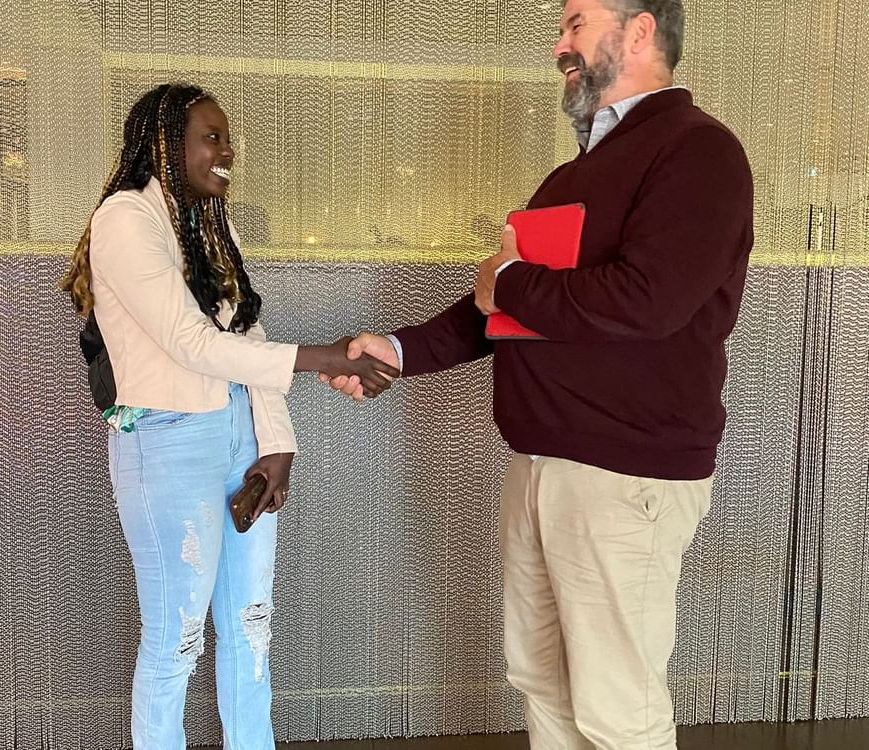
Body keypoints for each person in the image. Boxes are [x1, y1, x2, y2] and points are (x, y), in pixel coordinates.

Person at [326, 1, 753, 748]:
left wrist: (511, 283)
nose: (560, 45)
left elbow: (648, 301)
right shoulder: (571, 176)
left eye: (576, 23)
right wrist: (395, 350)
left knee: (616, 708)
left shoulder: (698, 151)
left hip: (624, 475)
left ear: (641, 29)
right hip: (540, 467)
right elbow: (503, 308)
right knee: (542, 686)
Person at [59, 83, 397, 750]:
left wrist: (276, 442)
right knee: (177, 639)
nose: (227, 149)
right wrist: (322, 356)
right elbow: (192, 344)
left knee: (250, 624)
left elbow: (246, 333)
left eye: (226, 136)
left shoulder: (212, 224)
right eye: (211, 136)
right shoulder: (125, 220)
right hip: (167, 445)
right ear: (165, 145)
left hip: (240, 434)